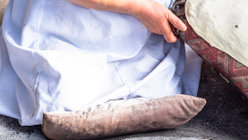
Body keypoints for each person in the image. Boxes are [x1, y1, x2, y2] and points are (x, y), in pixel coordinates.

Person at [0, 0, 202, 126]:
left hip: (141, 27)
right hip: (66, 25)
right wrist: (140, 8)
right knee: (62, 98)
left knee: (164, 84)